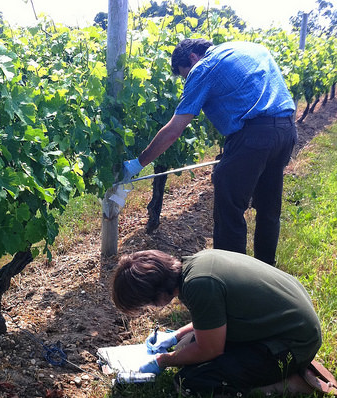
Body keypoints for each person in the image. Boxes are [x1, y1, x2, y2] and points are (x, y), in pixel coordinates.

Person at [121, 39, 297, 266]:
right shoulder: (249, 47)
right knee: (268, 208)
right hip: (286, 131)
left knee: (229, 212)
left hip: (253, 137)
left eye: (185, 75)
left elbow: (174, 130)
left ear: (193, 57)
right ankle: (267, 271)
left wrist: (138, 163)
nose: (188, 80)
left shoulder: (203, 68)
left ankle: (232, 280)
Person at [111, 248, 336, 397]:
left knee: (191, 382)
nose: (152, 308)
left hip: (293, 343)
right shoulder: (195, 265)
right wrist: (176, 335)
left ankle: (291, 383)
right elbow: (214, 322)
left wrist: (163, 360)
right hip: (285, 327)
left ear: (157, 295)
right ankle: (275, 367)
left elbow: (210, 348)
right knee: (184, 348)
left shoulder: (200, 286)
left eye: (147, 304)